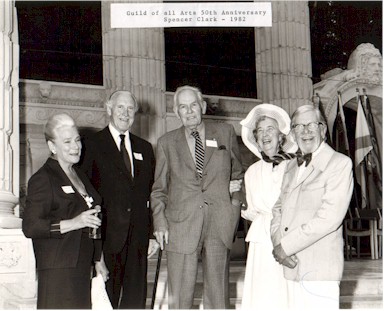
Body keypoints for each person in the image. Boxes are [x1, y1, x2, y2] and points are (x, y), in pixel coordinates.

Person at [151, 85, 244, 309]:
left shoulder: (225, 132)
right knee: (180, 299)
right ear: (177, 112)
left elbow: (238, 174)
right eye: (183, 107)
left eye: (193, 105)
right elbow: (159, 189)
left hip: (218, 225)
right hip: (181, 227)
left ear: (202, 106)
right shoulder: (166, 143)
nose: (189, 111)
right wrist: (160, 222)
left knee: (218, 298)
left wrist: (232, 209)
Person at [271, 104, 354, 309]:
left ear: (323, 129)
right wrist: (278, 244)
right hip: (290, 266)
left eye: (311, 125)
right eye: (299, 126)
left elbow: (329, 218)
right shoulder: (290, 166)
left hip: (320, 269)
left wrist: (286, 247)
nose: (305, 131)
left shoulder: (339, 163)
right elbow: (278, 209)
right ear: (292, 134)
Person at [22, 113, 109, 309]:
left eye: (77, 140)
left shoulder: (78, 174)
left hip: (81, 266)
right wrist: (75, 222)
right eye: (67, 141)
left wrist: (98, 259)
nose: (76, 146)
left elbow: (91, 220)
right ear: (52, 146)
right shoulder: (43, 178)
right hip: (58, 269)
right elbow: (31, 227)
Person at [80, 90, 158, 309]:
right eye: (120, 107)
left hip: (139, 240)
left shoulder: (145, 148)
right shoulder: (92, 145)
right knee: (107, 299)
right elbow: (86, 195)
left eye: (130, 108)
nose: (125, 113)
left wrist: (151, 234)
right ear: (109, 109)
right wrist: (94, 246)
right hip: (107, 239)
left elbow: (151, 195)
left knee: (136, 300)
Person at [239, 103, 298, 309]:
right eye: (260, 131)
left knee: (287, 291)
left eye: (270, 129)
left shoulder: (296, 165)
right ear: (255, 137)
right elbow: (249, 211)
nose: (265, 135)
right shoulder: (252, 172)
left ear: (281, 136)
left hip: (289, 235)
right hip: (261, 240)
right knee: (263, 291)